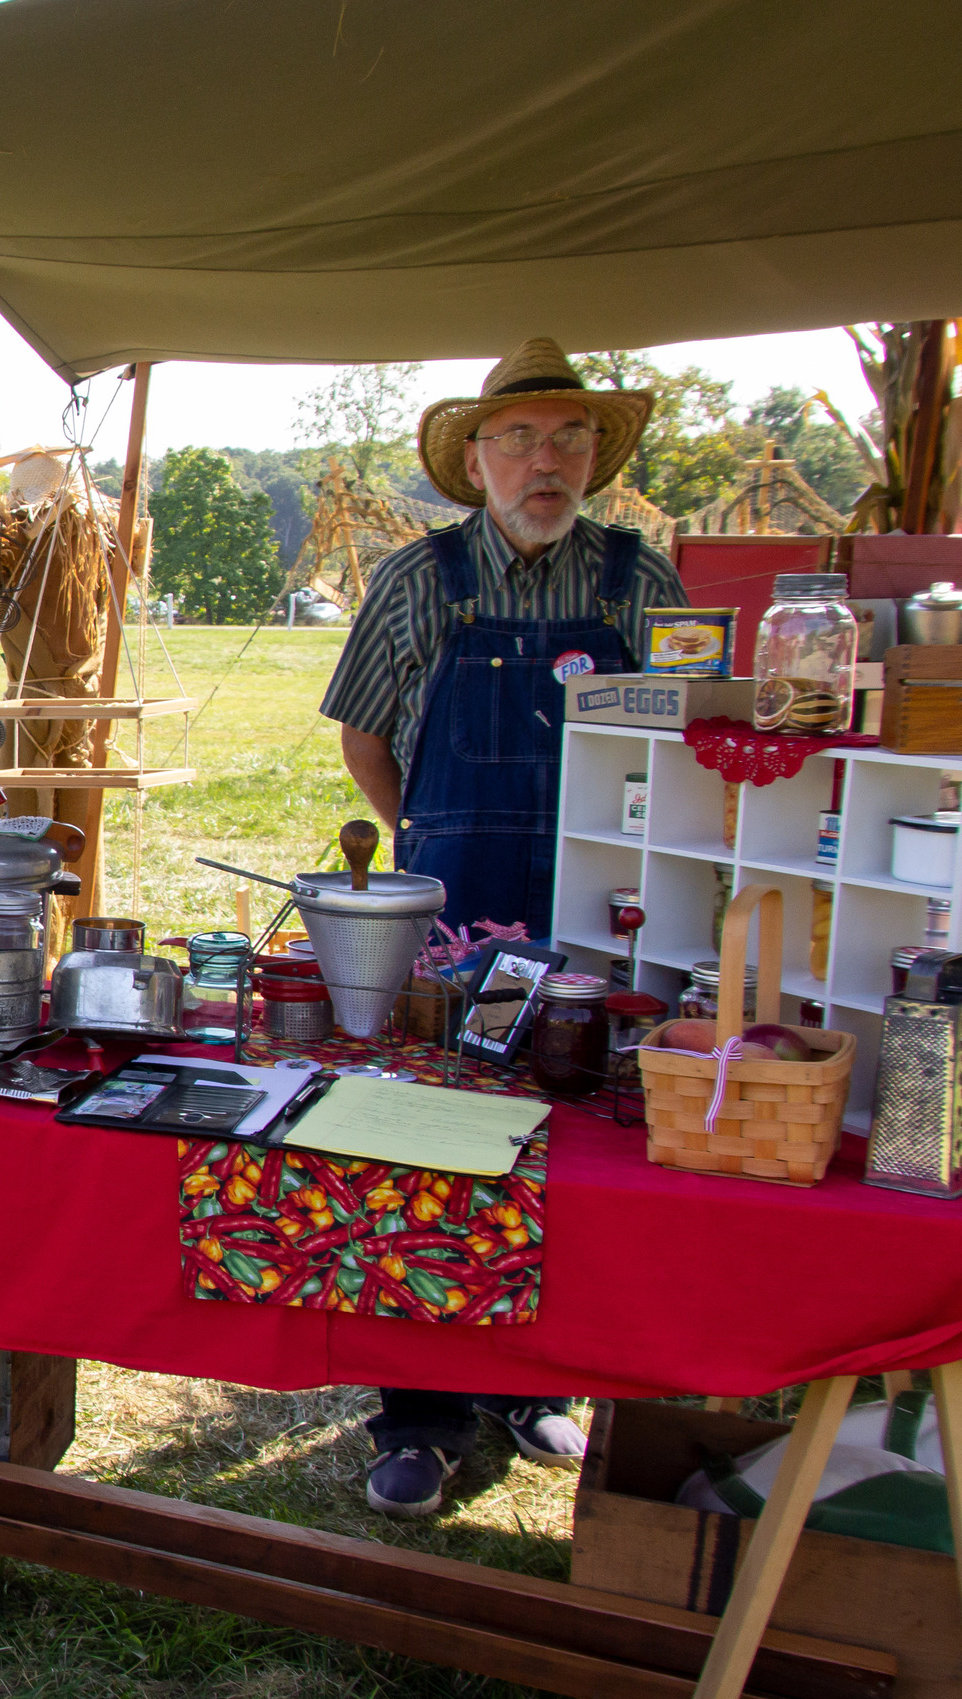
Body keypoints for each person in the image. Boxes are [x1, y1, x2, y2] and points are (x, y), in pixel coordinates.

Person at [317, 337, 688, 1518]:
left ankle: (541, 1391)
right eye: (521, 439)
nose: (548, 460)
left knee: (582, 1144)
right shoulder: (420, 579)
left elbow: (687, 741)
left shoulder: (642, 580)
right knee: (431, 1139)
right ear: (475, 460)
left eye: (570, 437)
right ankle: (420, 1415)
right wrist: (428, 844)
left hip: (609, 900)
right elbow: (367, 736)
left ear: (597, 458)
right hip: (459, 889)